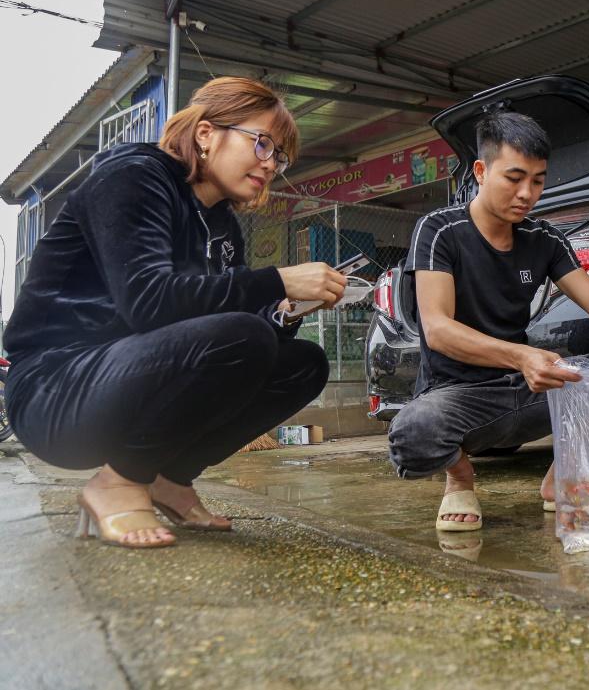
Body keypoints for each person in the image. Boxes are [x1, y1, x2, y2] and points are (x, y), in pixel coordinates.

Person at [3, 77, 347, 548]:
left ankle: (170, 477)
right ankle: (118, 481)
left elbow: (242, 335)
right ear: (206, 134)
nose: (271, 165)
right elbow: (149, 302)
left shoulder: (223, 224)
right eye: (262, 143)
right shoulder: (133, 176)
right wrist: (277, 280)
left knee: (303, 364)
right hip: (55, 388)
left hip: (130, 376)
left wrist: (285, 310)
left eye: (280, 156)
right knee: (244, 335)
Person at [388, 111, 589, 532]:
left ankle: (565, 474)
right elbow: (438, 330)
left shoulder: (544, 239)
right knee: (412, 431)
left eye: (537, 180)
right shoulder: (440, 231)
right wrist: (521, 357)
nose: (527, 193)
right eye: (514, 177)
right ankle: (460, 478)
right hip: (461, 396)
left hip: (529, 388)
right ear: (481, 171)